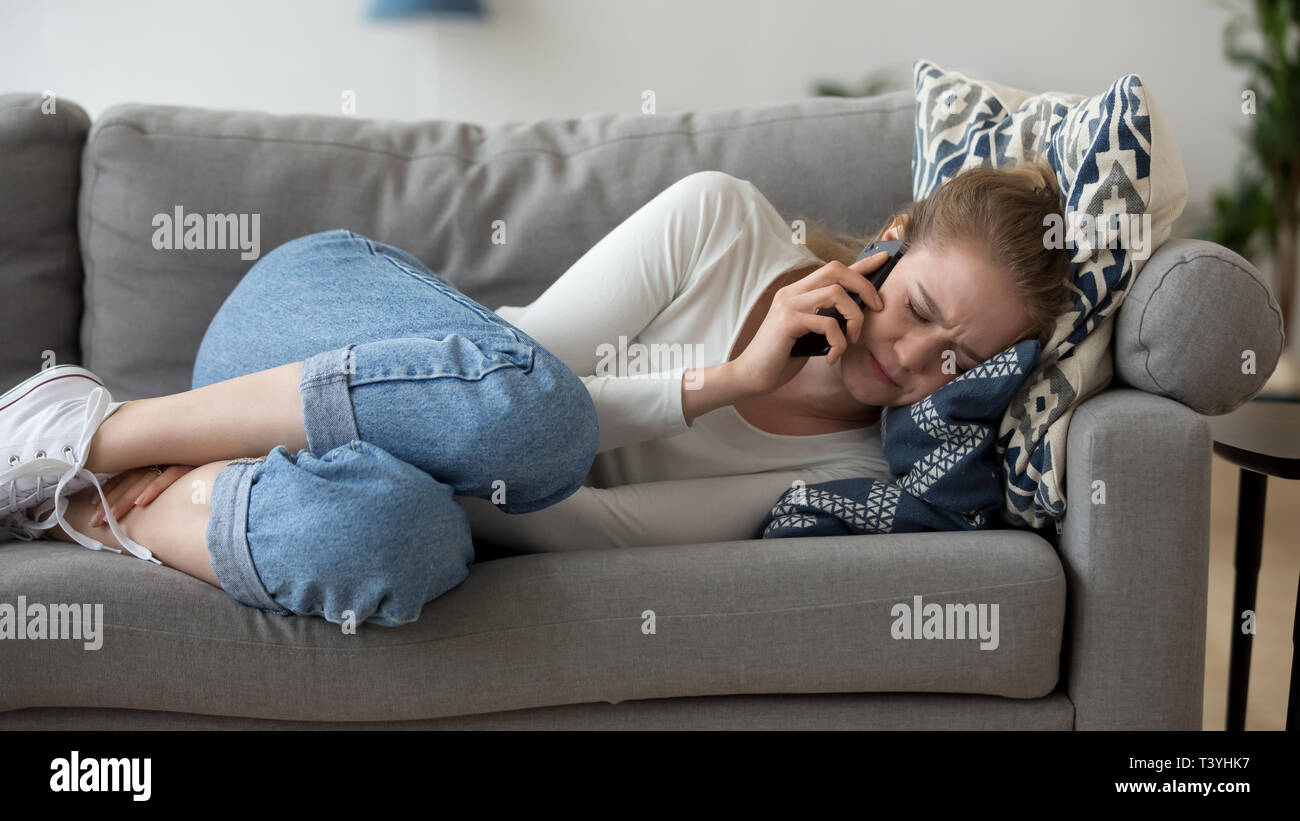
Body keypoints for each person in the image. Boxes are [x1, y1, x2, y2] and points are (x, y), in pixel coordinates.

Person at [0, 161, 1071, 627]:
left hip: (363, 462)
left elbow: (577, 528)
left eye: (957, 363)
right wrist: (723, 384)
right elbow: (505, 384)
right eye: (919, 305)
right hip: (315, 322)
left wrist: (737, 395)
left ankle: (107, 501)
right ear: (889, 246)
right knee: (540, 417)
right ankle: (96, 427)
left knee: (395, 543)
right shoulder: (723, 223)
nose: (915, 361)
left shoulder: (843, 479)